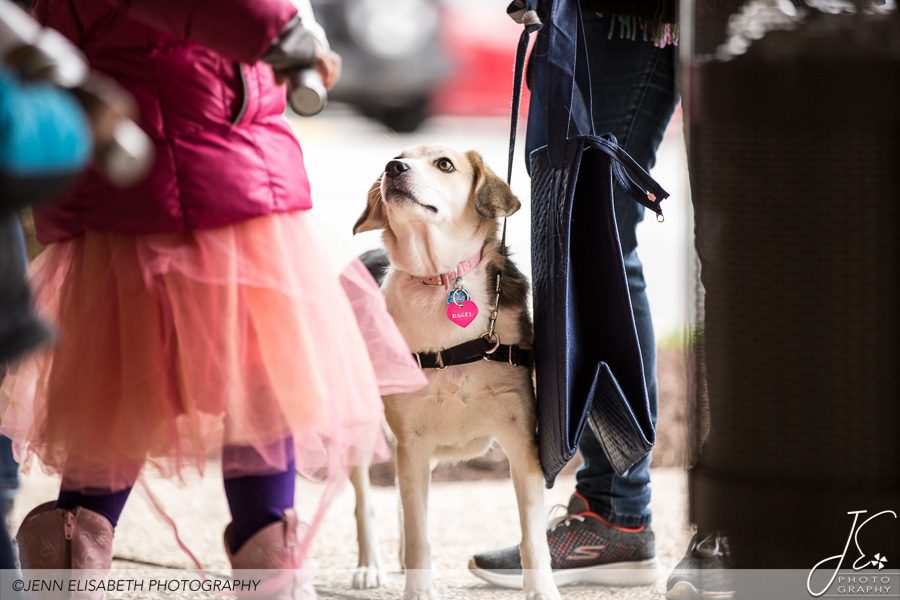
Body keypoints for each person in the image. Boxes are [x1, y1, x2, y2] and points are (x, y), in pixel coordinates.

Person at [0, 0, 425, 595]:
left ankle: (66, 568)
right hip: (200, 176)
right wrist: (287, 31)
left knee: (121, 391)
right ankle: (269, 572)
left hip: (148, 169)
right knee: (260, 382)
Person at [470, 1, 731, 598]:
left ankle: (740, 522)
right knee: (584, 227)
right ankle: (613, 515)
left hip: (755, 13)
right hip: (618, 9)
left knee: (745, 254)